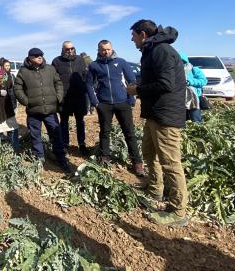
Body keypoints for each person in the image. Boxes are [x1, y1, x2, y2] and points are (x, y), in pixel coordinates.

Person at [126, 20, 188, 226]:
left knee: (170, 162)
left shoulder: (161, 50)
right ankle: (155, 188)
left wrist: (138, 90)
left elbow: (166, 84)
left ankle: (178, 211)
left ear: (143, 34)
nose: (131, 39)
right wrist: (141, 84)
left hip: (166, 115)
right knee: (149, 153)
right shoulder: (151, 50)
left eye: (133, 35)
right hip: (154, 113)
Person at [86, 40, 145, 177]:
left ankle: (137, 162)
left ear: (112, 49)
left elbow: (132, 81)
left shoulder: (121, 62)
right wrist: (95, 102)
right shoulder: (94, 65)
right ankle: (105, 157)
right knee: (105, 132)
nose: (106, 52)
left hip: (122, 102)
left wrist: (131, 99)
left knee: (129, 132)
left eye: (108, 49)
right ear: (98, 50)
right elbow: (89, 84)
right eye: (103, 50)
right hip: (105, 104)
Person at [14, 48, 71, 173]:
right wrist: (26, 101)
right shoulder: (23, 71)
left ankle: (61, 158)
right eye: (36, 56)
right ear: (29, 57)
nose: (39, 57)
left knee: (56, 134)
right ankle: (39, 159)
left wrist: (58, 97)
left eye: (41, 55)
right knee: (36, 136)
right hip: (34, 111)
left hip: (50, 110)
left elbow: (58, 83)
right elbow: (17, 88)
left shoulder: (50, 69)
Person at [52, 41, 89, 155]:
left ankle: (82, 144)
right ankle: (65, 144)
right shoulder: (56, 61)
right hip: (64, 98)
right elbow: (54, 80)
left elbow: (85, 76)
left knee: (80, 122)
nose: (70, 51)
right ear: (63, 49)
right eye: (67, 49)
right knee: (64, 122)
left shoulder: (80, 60)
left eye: (72, 48)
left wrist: (85, 91)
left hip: (79, 97)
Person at [178, 52, 207, 123]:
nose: (180, 63)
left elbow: (203, 81)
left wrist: (190, 82)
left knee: (195, 119)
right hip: (180, 100)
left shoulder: (194, 70)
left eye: (182, 61)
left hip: (194, 99)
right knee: (182, 121)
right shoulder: (174, 71)